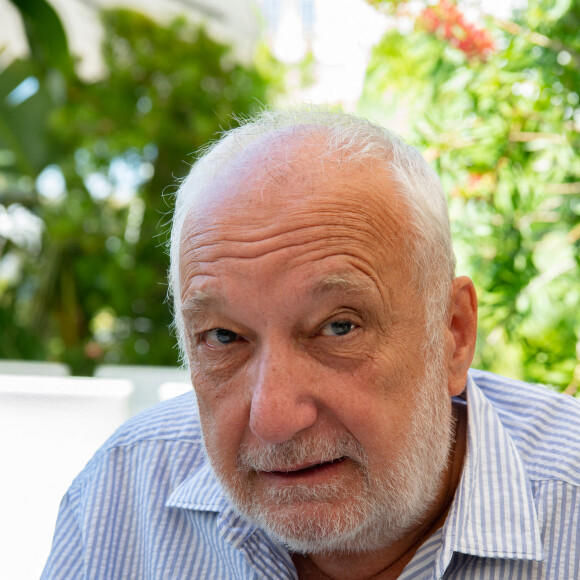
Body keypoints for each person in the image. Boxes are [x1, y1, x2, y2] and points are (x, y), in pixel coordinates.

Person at [42, 109, 580, 580]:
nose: (273, 418)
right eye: (224, 337)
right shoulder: (120, 495)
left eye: (338, 327)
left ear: (453, 335)